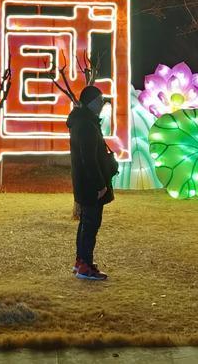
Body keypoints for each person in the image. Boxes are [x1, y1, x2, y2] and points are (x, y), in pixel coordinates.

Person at [69, 86, 118, 281]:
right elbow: (88, 158)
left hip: (84, 183)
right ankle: (85, 266)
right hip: (90, 185)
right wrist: (100, 185)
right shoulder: (86, 125)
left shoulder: (83, 122)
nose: (102, 103)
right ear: (90, 102)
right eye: (99, 100)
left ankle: (81, 262)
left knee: (86, 224)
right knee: (90, 224)